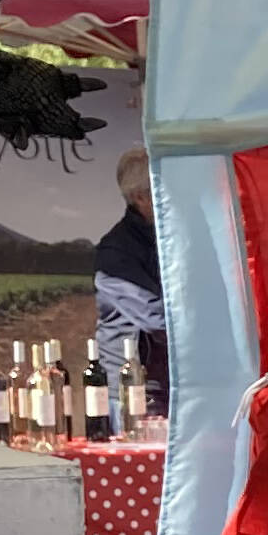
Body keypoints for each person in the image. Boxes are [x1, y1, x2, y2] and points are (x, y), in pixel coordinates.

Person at [93, 148, 168, 412]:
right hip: (134, 387)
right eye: (163, 186)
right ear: (140, 198)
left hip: (166, 382)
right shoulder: (115, 253)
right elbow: (155, 318)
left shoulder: (167, 238)